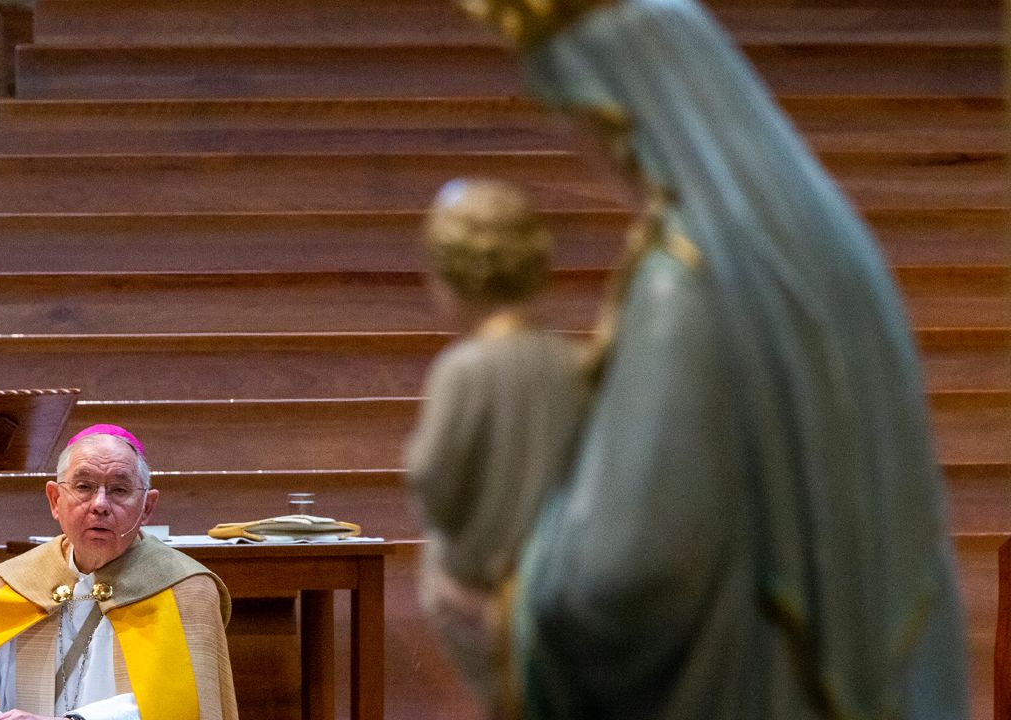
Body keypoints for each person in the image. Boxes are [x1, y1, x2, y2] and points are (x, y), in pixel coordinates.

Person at [448, 1, 971, 719]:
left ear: (621, 116)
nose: (580, 149)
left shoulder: (686, 285)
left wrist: (511, 603)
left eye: (572, 118)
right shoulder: (830, 256)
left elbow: (623, 572)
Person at [405, 178, 589, 718]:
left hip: (482, 595)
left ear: (451, 276)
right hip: (565, 592)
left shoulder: (465, 369)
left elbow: (433, 483)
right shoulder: (577, 364)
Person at [0, 424, 238, 720]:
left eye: (119, 489)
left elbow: (182, 709)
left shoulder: (185, 590)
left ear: (147, 507)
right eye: (84, 487)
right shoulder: (17, 583)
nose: (100, 504)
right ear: (54, 499)